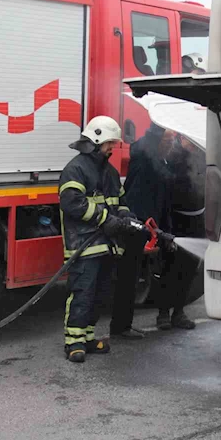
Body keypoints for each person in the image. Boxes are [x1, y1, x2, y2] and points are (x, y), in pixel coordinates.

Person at [59, 116, 139, 363]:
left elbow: (120, 202)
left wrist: (125, 218)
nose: (112, 149)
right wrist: (106, 219)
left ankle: (88, 337)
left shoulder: (110, 172)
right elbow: (72, 203)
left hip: (107, 244)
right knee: (83, 292)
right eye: (109, 144)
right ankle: (74, 342)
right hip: (83, 244)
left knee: (101, 294)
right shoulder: (76, 169)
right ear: (95, 139)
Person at [112, 123, 196, 337]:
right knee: (128, 277)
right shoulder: (143, 154)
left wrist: (165, 232)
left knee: (156, 273)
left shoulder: (162, 161)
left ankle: (127, 325)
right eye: (166, 141)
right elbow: (148, 141)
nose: (169, 145)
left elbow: (165, 200)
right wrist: (162, 121)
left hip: (154, 227)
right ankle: (121, 327)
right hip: (135, 225)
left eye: (170, 141)